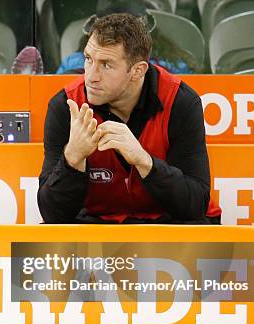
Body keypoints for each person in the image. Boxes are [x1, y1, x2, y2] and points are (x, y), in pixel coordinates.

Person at [37, 12, 221, 224]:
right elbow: (52, 216)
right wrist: (73, 158)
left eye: (106, 65)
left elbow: (195, 205)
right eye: (88, 59)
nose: (91, 76)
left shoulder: (180, 102)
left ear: (137, 71)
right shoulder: (65, 106)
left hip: (166, 224)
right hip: (99, 224)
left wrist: (145, 162)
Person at [56, 2, 203, 74]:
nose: (119, 42)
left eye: (128, 34)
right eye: (111, 35)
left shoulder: (173, 65)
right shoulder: (74, 63)